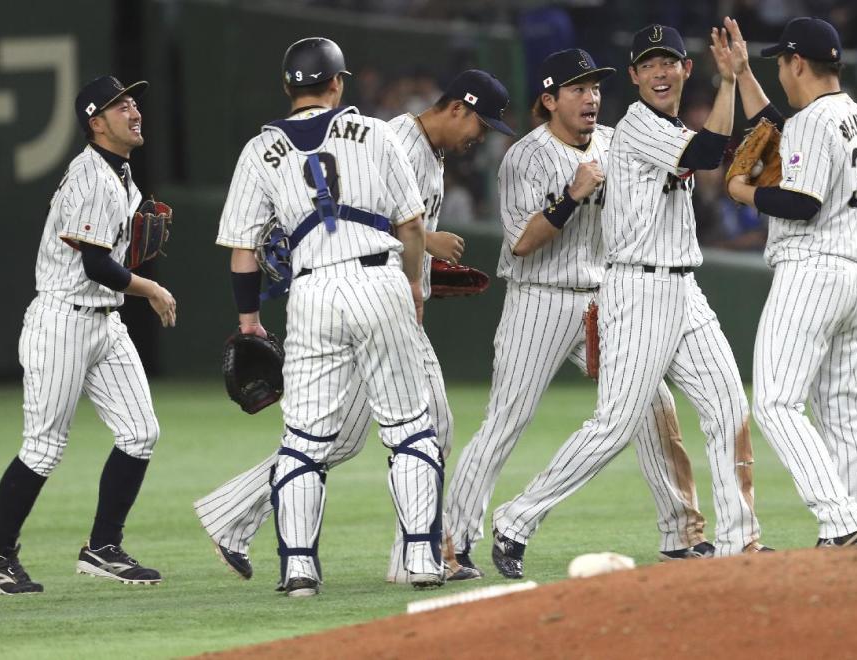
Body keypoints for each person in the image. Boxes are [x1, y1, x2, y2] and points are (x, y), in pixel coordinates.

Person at [196, 67, 515, 585]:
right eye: (481, 124)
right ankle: (417, 557)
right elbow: (361, 216)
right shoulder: (395, 139)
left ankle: (235, 519)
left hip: (353, 297)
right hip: (376, 295)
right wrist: (423, 256)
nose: (481, 137)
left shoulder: (427, 154)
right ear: (457, 107)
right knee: (421, 429)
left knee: (332, 440)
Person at [490, 25, 770, 579]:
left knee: (729, 407)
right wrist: (729, 80)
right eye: (651, 64)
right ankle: (516, 518)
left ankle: (740, 543)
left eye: (671, 62)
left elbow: (724, 143)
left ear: (685, 71)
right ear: (637, 77)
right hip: (637, 290)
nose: (662, 72)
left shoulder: (667, 126)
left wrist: (737, 80)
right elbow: (710, 152)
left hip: (683, 288)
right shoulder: (639, 127)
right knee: (614, 426)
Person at [445, 47, 716, 580]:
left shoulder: (620, 140)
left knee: (653, 411)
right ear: (549, 100)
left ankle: (683, 533)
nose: (591, 97)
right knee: (505, 422)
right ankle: (453, 541)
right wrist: (571, 197)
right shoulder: (525, 156)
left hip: (609, 294)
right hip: (539, 298)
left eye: (594, 87)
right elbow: (522, 243)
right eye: (577, 88)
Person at [0, 76, 176, 595]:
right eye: (119, 105)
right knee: (43, 448)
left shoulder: (119, 173)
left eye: (133, 102)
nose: (133, 110)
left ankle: (103, 547)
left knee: (140, 432)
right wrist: (150, 287)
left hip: (104, 322)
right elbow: (94, 265)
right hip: (63, 319)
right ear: (96, 122)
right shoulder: (91, 177)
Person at [725, 17, 857, 547]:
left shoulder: (814, 120)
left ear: (797, 63)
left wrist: (743, 193)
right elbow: (783, 130)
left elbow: (801, 203)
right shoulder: (852, 114)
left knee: (774, 403)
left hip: (810, 271)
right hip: (854, 275)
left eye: (781, 63)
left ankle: (840, 518)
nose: (782, 73)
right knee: (842, 412)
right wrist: (743, 75)